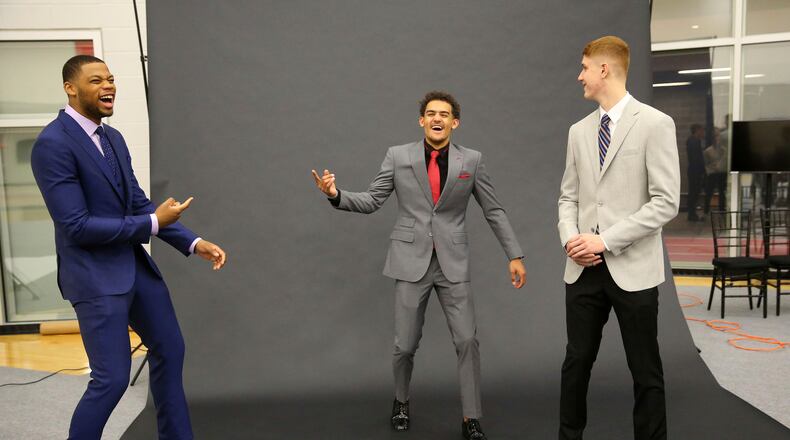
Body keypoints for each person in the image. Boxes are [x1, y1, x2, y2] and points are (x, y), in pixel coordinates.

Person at [31, 55, 227, 440]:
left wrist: (193, 242)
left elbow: (138, 203)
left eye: (111, 78)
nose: (108, 86)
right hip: (92, 277)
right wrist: (154, 222)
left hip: (134, 269)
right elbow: (77, 226)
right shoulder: (52, 144)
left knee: (170, 350)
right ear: (71, 88)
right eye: (96, 80)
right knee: (112, 380)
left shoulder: (113, 139)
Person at [311, 91, 526, 440]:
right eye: (430, 113)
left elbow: (494, 210)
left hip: (453, 264)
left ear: (454, 122)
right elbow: (372, 200)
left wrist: (514, 254)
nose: (437, 118)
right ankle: (400, 401)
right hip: (410, 262)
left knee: (468, 340)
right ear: (421, 120)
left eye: (444, 114)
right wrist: (336, 194)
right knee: (405, 345)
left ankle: (471, 417)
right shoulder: (398, 157)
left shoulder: (471, 161)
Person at [557, 36, 680, 440]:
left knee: (646, 370)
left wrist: (605, 240)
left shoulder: (655, 123)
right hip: (582, 268)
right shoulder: (578, 131)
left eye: (584, 67)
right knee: (576, 363)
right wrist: (571, 239)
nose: (580, 76)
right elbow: (568, 196)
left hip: (633, 269)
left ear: (604, 69)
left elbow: (665, 203)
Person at [703, 127, 727, 213]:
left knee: (722, 191)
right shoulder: (708, 151)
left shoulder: (724, 150)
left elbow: (725, 161)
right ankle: (706, 210)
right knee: (709, 192)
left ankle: (722, 209)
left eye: (718, 136)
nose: (717, 138)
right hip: (712, 173)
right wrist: (711, 169)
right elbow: (706, 164)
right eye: (716, 136)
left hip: (722, 173)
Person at [685, 124, 706, 221]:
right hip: (695, 171)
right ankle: (691, 214)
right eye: (701, 131)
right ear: (697, 130)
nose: (703, 133)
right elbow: (696, 158)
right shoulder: (694, 141)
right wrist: (702, 169)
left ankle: (692, 213)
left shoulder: (692, 141)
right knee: (694, 192)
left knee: (694, 192)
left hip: (694, 170)